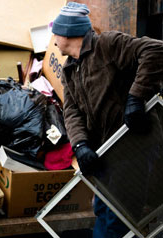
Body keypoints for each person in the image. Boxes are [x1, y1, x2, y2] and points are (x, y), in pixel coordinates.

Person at [51, 2, 163, 238]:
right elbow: (71, 111)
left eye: (55, 33)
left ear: (67, 32)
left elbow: (155, 50)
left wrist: (135, 97)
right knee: (102, 210)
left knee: (115, 221)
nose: (53, 40)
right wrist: (80, 145)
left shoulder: (107, 44)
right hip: (105, 153)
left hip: (132, 148)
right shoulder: (70, 69)